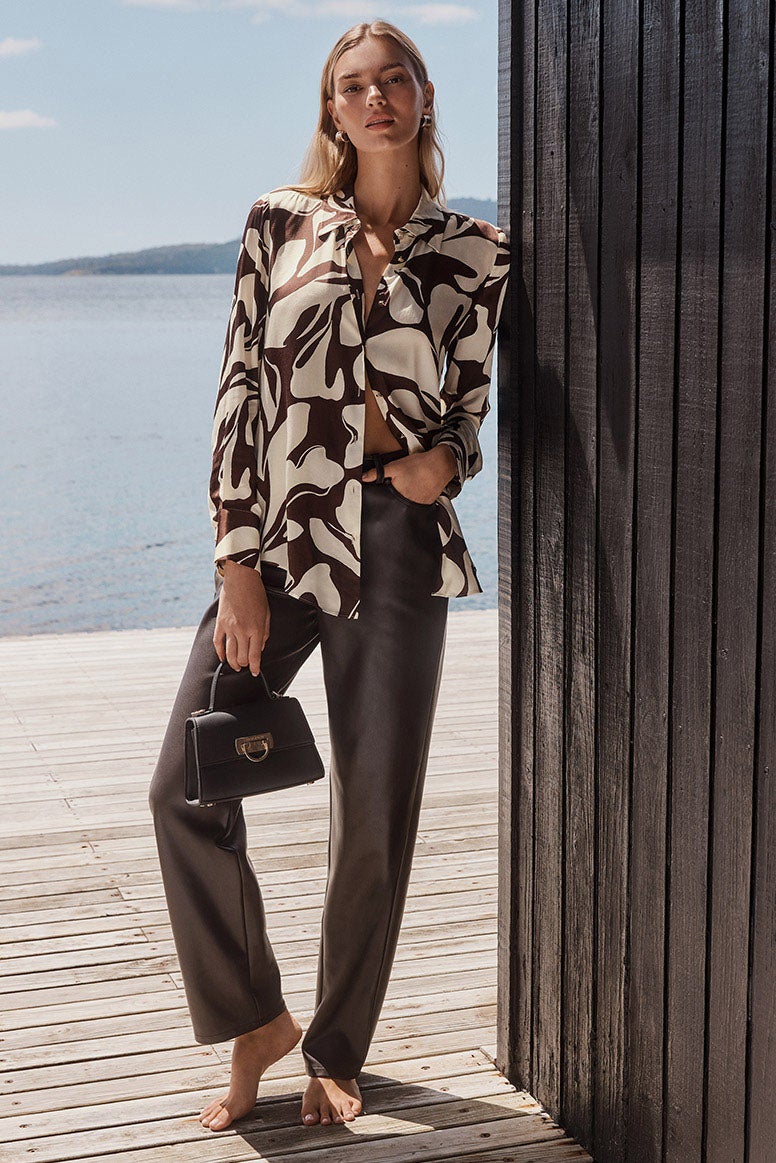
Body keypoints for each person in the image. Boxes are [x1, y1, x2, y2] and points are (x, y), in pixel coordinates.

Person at [147, 16, 510, 1134]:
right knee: (184, 784)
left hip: (401, 543)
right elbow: (237, 395)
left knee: (374, 805)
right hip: (285, 535)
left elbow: (467, 405)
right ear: (330, 111)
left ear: (421, 95)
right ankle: (256, 1016)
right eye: (352, 86)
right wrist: (233, 556)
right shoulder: (278, 222)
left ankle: (337, 1048)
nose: (374, 99)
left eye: (391, 79)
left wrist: (445, 458)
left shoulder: (475, 250)